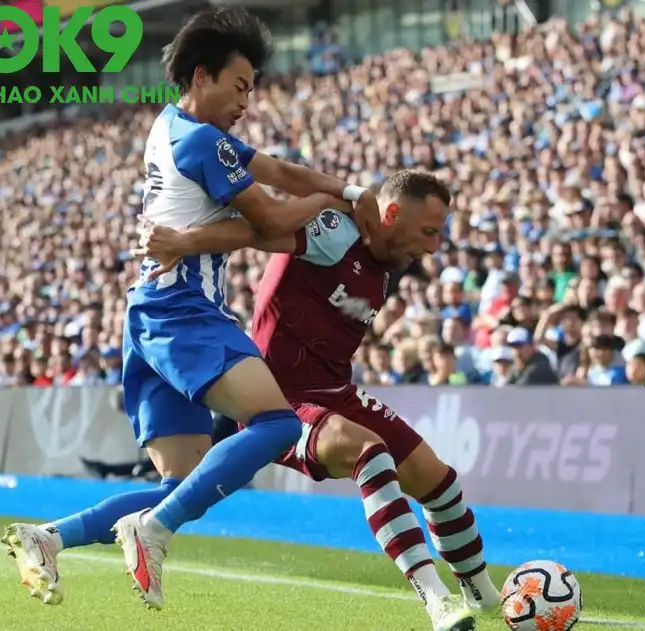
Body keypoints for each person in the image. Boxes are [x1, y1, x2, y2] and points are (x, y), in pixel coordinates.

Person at [1, 5, 381, 610]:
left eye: (252, 90)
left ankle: (49, 538)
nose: (246, 102)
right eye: (240, 86)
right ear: (201, 75)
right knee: (279, 424)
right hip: (185, 312)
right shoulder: (203, 141)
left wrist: (349, 189)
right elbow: (272, 220)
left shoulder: (171, 125)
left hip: (149, 311)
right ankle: (151, 532)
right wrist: (329, 207)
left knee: (178, 485)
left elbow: (276, 170)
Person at [136, 170, 501, 631]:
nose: (433, 247)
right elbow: (257, 232)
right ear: (390, 213)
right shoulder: (336, 231)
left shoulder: (391, 257)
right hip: (278, 402)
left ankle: (486, 596)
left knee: (440, 483)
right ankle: (437, 600)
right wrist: (183, 242)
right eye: (428, 231)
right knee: (370, 453)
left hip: (336, 390)